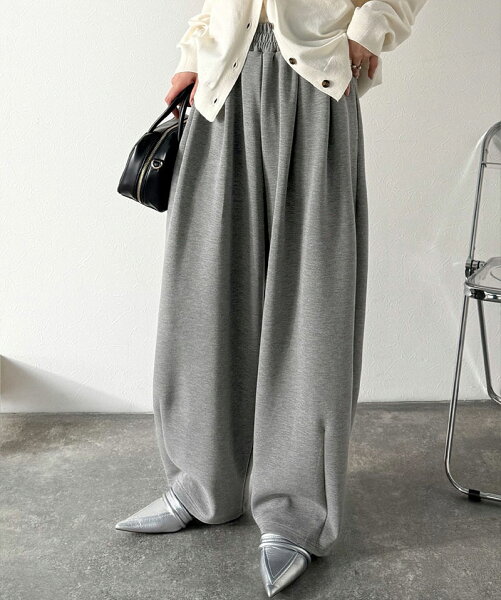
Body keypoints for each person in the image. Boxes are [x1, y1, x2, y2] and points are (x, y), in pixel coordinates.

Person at [116, 0, 429, 596]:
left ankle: (295, 509)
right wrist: (192, 55)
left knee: (310, 303)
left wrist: (370, 29)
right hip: (219, 86)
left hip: (315, 80)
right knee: (201, 295)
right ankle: (202, 484)